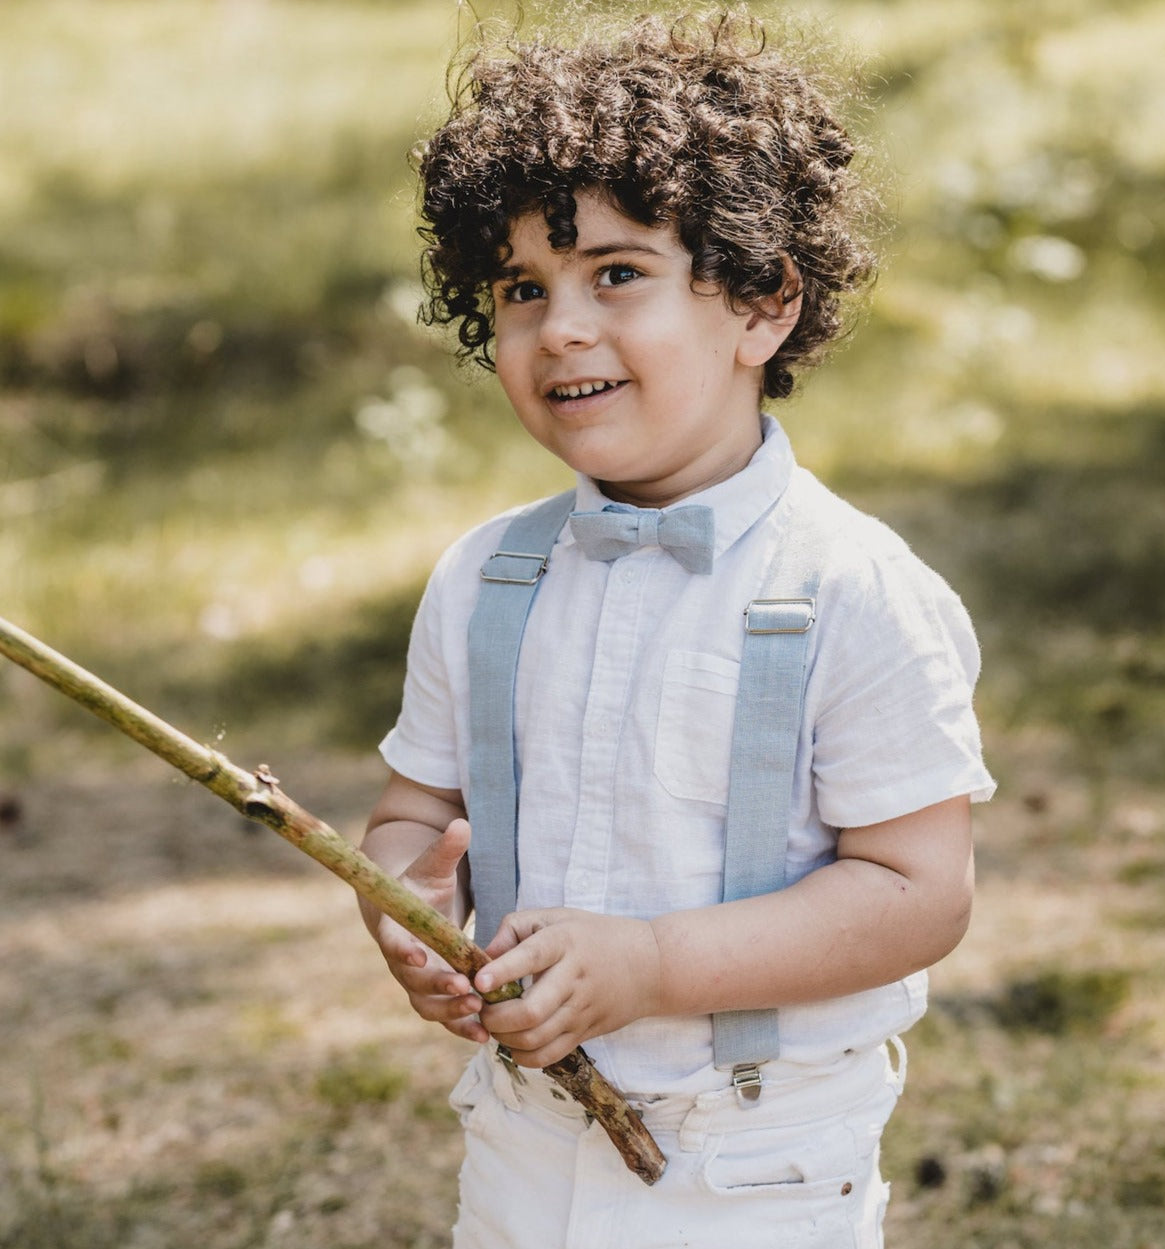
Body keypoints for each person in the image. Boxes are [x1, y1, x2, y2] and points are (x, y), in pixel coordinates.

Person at [359, 8, 995, 1247]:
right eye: (519, 288)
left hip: (760, 1162)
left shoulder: (855, 589)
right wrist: (400, 904)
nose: (562, 329)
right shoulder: (485, 577)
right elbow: (413, 813)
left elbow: (919, 892)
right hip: (523, 1138)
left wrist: (653, 962)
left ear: (761, 303)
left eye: (616, 273)